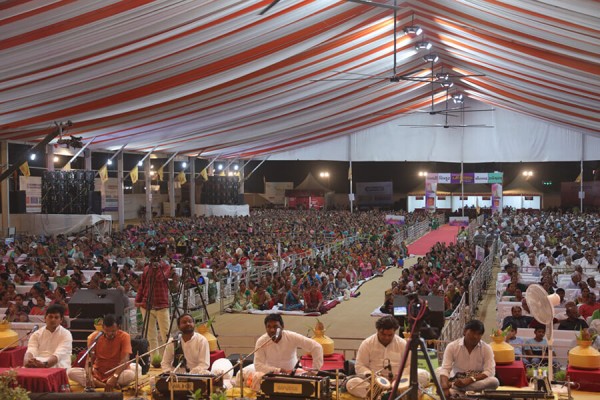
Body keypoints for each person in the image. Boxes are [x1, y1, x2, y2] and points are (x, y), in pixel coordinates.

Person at [68, 314, 139, 392]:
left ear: (118, 327)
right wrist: (89, 376)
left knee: (129, 375)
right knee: (71, 372)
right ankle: (105, 385)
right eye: (107, 331)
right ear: (102, 328)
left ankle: (98, 383)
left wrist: (114, 377)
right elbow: (89, 360)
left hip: (117, 371)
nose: (109, 334)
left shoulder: (124, 336)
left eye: (113, 331)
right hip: (98, 372)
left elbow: (125, 359)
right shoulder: (95, 337)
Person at [355, 316, 430, 387]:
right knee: (352, 384)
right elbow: (360, 366)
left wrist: (400, 375)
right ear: (377, 330)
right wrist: (372, 376)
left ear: (394, 332)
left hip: (399, 381)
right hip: (375, 382)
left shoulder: (402, 344)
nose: (386, 337)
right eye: (383, 334)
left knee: (424, 375)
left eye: (390, 335)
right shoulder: (367, 343)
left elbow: (410, 365)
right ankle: (384, 394)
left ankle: (390, 393)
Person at [438, 320, 499, 398]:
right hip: (457, 379)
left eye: (479, 334)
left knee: (494, 381)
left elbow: (490, 371)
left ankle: (455, 389)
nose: (475, 336)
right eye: (473, 332)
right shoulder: (452, 346)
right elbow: (445, 369)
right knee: (438, 372)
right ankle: (460, 392)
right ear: (464, 332)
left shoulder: (486, 348)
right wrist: (444, 387)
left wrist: (470, 379)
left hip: (475, 380)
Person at [254, 314, 323, 374]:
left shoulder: (291, 336)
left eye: (275, 327)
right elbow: (258, 366)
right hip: (270, 374)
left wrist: (314, 372)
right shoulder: (261, 341)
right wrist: (278, 370)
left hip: (293, 373)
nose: (272, 330)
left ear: (282, 327)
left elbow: (317, 347)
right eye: (269, 327)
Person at [135, 259, 171, 357]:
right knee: (151, 336)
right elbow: (142, 286)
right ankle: (155, 359)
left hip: (162, 305)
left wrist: (157, 266)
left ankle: (169, 359)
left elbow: (160, 277)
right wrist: (137, 300)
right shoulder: (147, 268)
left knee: (166, 335)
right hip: (146, 305)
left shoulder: (166, 266)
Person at [24, 304, 72, 368]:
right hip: (38, 362)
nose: (53, 320)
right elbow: (31, 350)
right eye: (50, 317)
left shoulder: (66, 334)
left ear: (61, 320)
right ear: (45, 318)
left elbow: (59, 354)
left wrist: (45, 364)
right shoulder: (37, 334)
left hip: (59, 364)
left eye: (56, 317)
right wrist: (27, 361)